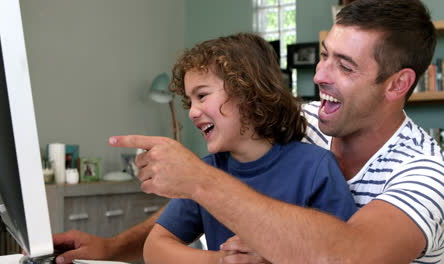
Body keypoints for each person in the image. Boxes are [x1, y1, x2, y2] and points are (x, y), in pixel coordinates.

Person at [53, 0, 443, 263]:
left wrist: (199, 179)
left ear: (397, 84)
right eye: (325, 55)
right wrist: (111, 248)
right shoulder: (298, 122)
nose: (320, 76)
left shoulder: (426, 175)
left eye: (345, 66)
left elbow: (350, 254)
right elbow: (196, 208)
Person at [142, 33, 357, 263]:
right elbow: (154, 247)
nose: (193, 111)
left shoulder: (315, 168)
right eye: (190, 100)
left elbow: (347, 255)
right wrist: (220, 260)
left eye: (202, 95)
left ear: (248, 94)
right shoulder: (206, 171)